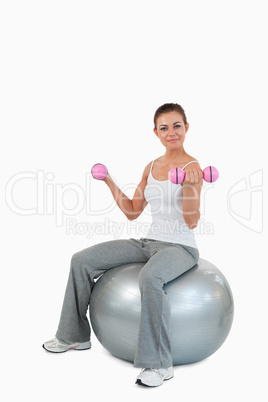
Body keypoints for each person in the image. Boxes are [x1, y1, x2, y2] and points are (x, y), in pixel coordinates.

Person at [43, 103, 203, 387]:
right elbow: (132, 210)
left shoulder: (193, 168)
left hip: (180, 247)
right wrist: (108, 180)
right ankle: (73, 335)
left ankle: (160, 364)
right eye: (164, 128)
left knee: (150, 276)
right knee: (81, 259)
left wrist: (190, 189)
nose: (171, 132)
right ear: (156, 132)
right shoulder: (151, 166)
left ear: (186, 128)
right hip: (148, 241)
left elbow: (191, 221)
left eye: (177, 126)